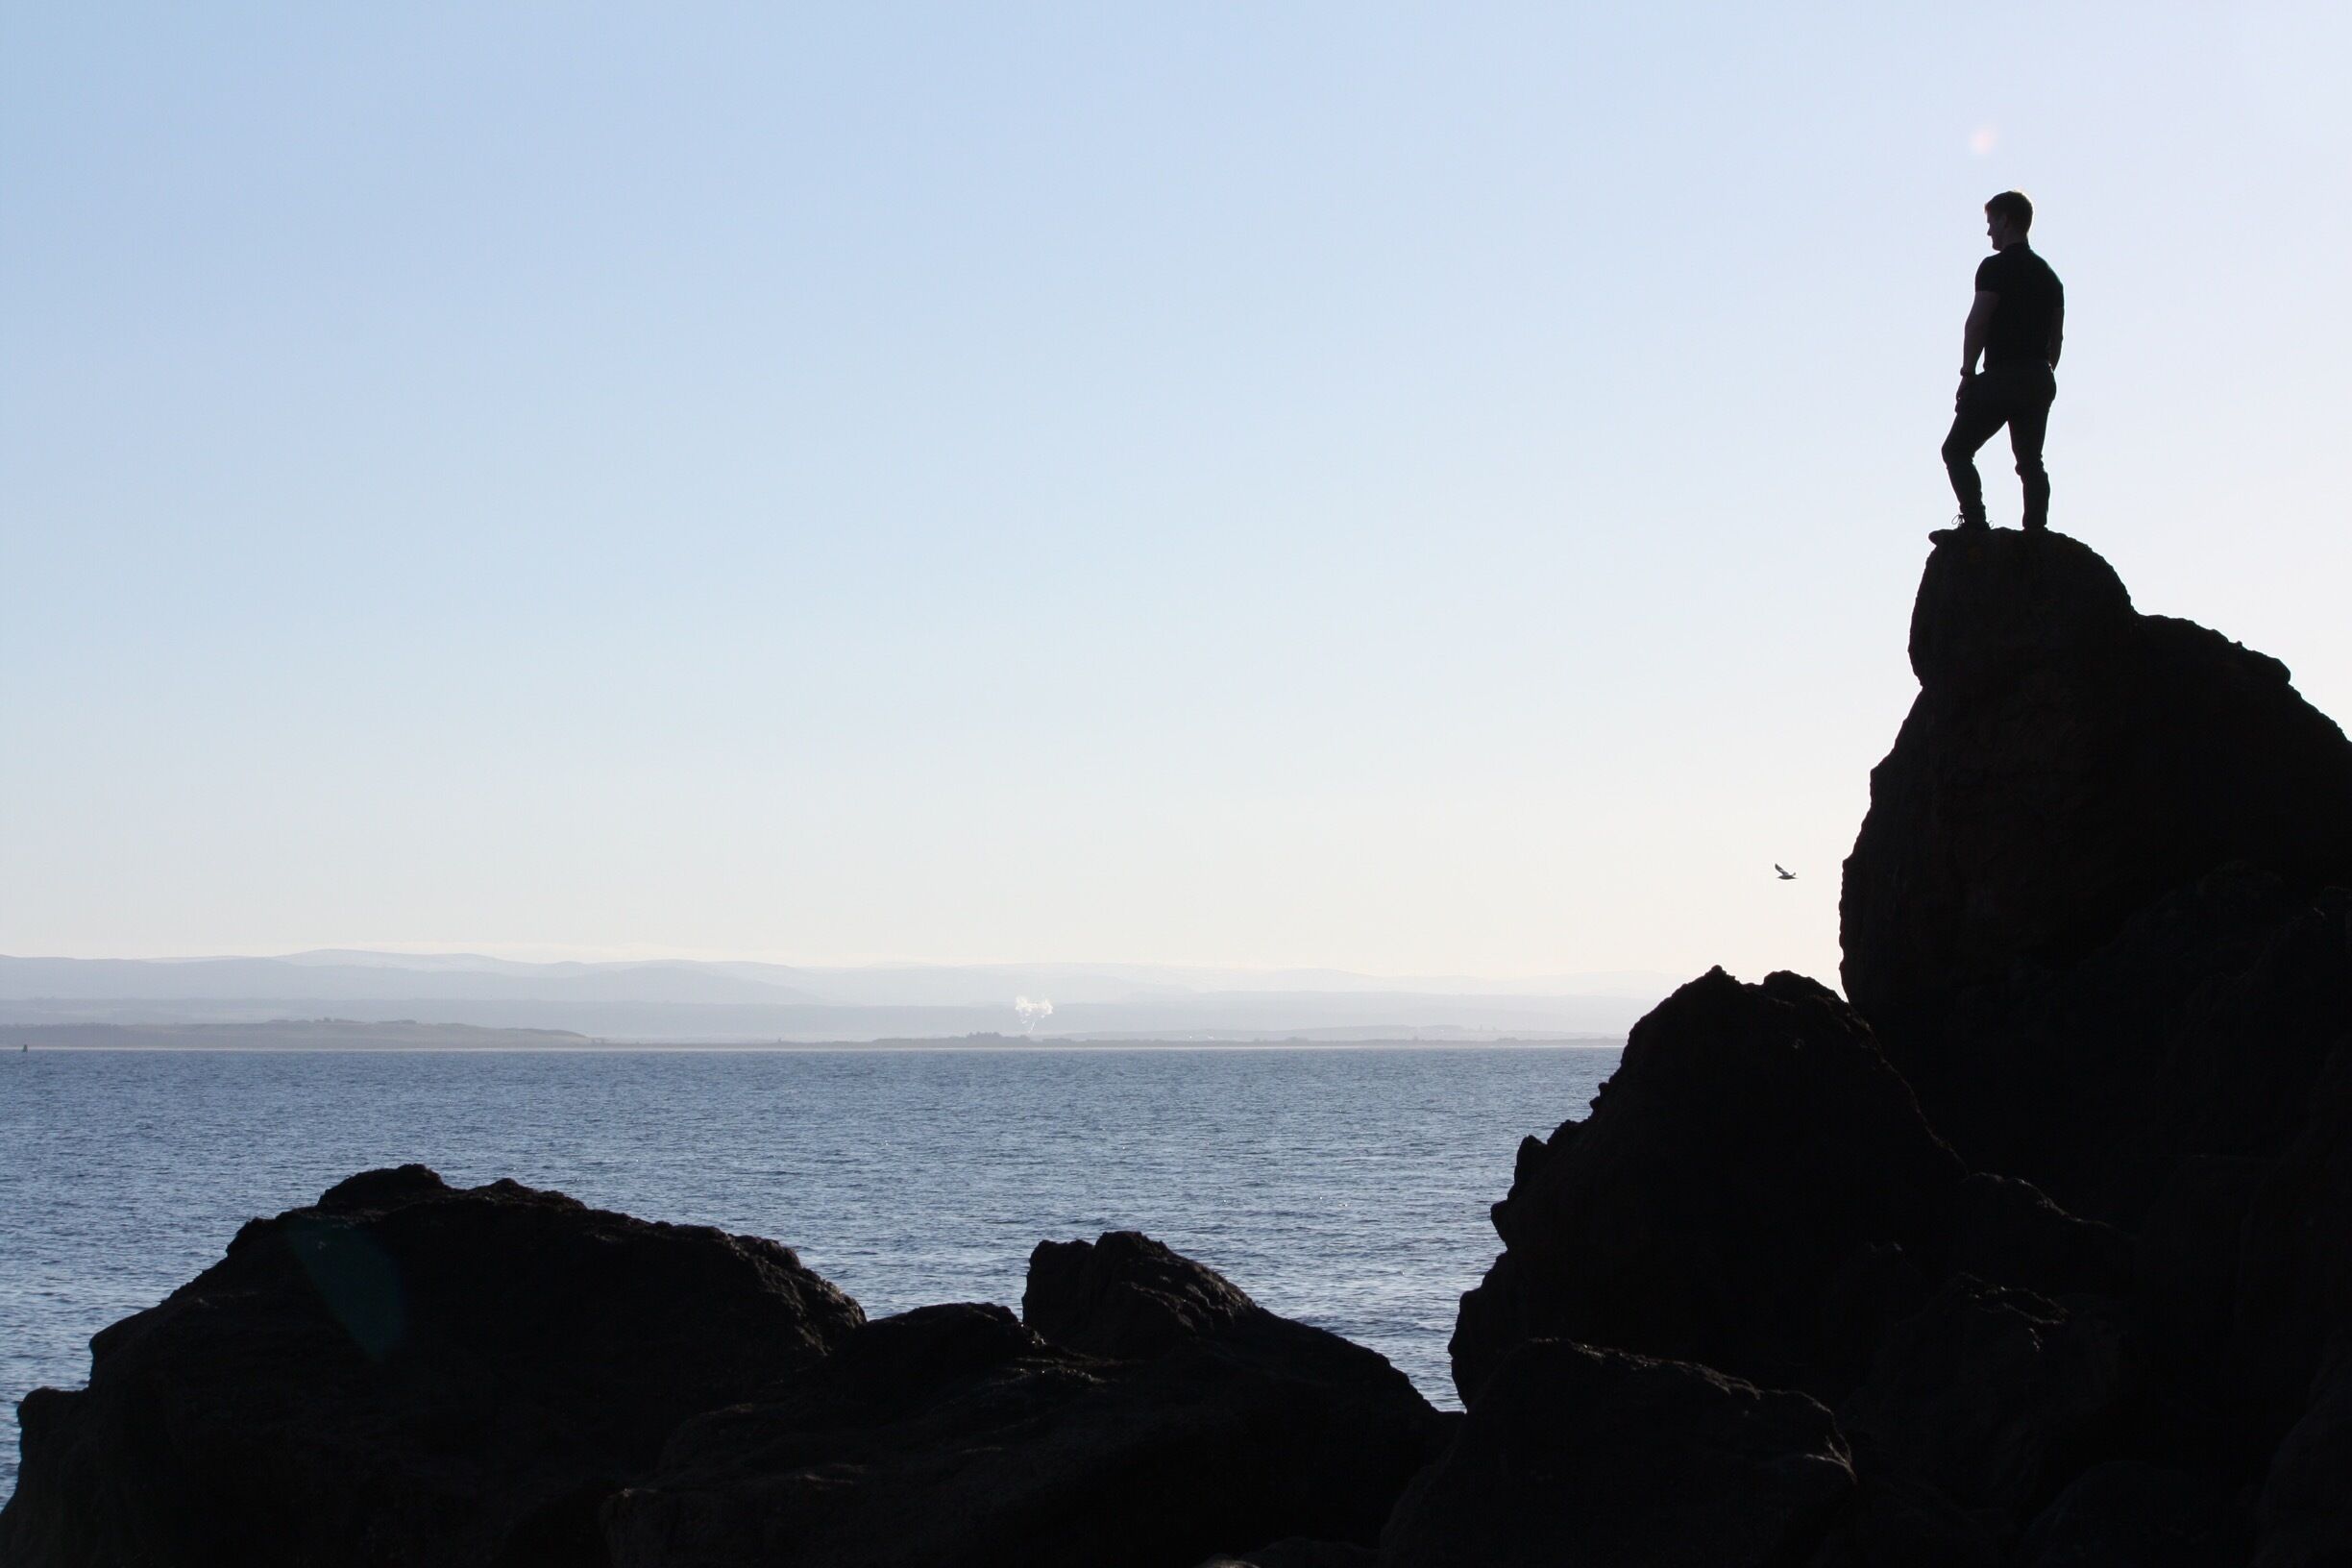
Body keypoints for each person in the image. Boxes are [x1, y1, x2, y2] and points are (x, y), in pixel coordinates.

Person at [1940, 190, 2065, 536]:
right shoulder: (2050, 277)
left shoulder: (1994, 268)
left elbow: (1977, 322)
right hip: (2038, 377)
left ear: (2006, 220)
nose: (1989, 231)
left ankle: (1975, 522)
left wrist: (1968, 373)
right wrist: (2044, 373)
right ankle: (2036, 532)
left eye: (1991, 222)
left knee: (1956, 450)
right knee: (2030, 462)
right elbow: (2057, 339)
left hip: (2002, 377)